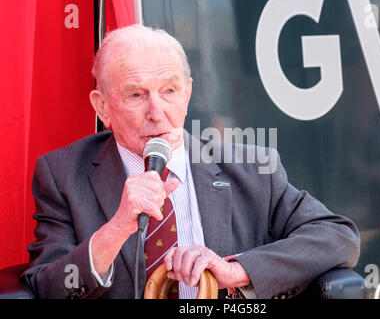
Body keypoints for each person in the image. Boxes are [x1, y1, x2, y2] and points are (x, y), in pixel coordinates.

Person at [21, 24, 360, 299]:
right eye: (136, 94)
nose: (157, 113)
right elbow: (50, 287)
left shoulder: (253, 168)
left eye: (169, 91)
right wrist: (118, 227)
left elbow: (338, 235)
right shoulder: (62, 175)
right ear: (103, 107)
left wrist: (238, 269)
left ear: (187, 93)